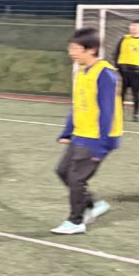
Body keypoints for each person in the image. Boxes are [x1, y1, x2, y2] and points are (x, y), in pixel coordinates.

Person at [52, 27, 122, 235]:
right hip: (81, 134)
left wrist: (101, 147)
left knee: (76, 178)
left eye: (75, 48)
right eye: (70, 48)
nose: (71, 52)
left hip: (98, 137)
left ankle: (76, 221)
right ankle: (93, 204)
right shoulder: (81, 72)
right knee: (62, 171)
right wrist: (67, 132)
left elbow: (107, 112)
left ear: (91, 50)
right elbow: (76, 105)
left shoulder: (106, 74)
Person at [114, 19, 139, 122]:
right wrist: (116, 66)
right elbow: (117, 52)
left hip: (137, 72)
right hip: (123, 70)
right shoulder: (124, 38)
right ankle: (119, 113)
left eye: (136, 26)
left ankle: (135, 114)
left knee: (136, 94)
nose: (133, 28)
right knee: (121, 94)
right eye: (132, 25)